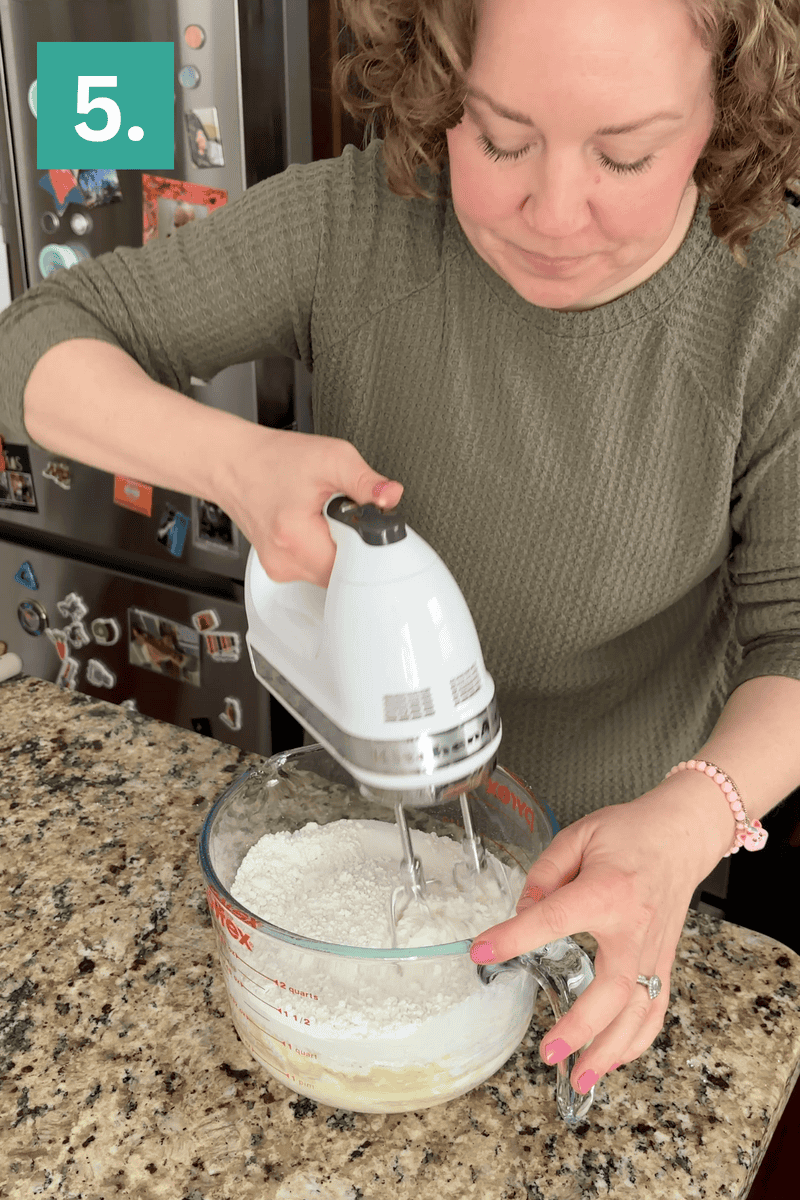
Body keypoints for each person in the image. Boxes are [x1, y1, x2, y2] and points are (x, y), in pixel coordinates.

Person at [1, 0, 799, 1101]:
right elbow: (37, 343)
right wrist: (234, 460)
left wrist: (685, 825)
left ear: (724, 113)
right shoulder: (361, 222)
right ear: (437, 79)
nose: (553, 212)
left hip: (634, 891)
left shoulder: (770, 306)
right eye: (500, 137)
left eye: (625, 154)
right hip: (360, 836)